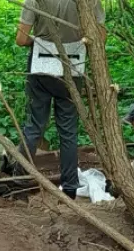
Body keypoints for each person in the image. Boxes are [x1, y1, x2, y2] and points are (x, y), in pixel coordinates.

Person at [15, 0, 106, 199]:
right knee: (68, 130)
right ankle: (70, 186)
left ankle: (19, 184)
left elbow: (21, 39)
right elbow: (100, 37)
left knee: (34, 127)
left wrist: (38, 41)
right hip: (73, 68)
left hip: (41, 66)